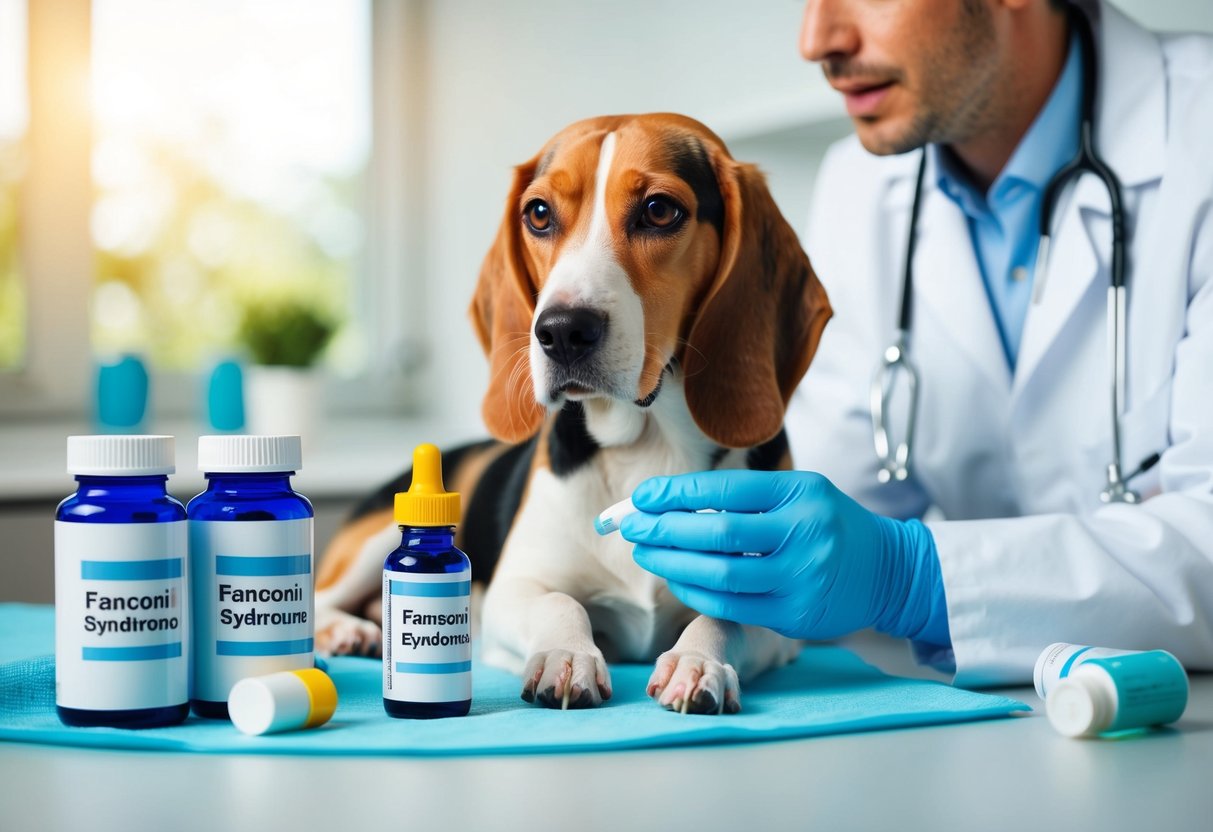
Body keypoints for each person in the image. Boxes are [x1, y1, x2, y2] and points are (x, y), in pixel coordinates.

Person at [619, 0, 1213, 686]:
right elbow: (827, 504)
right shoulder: (863, 183)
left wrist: (913, 578)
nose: (818, 40)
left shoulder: (1197, 136)